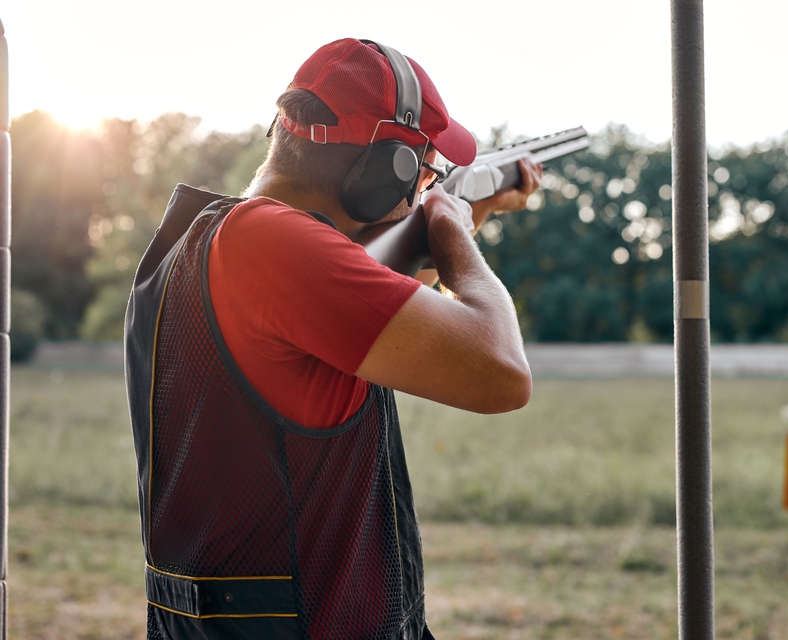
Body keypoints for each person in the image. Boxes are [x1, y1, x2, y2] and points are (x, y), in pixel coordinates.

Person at [124, 37, 541, 640]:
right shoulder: (272, 244)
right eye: (423, 171)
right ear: (384, 174)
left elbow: (377, 306)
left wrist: (460, 216)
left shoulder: (207, 243)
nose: (424, 188)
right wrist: (454, 238)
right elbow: (501, 371)